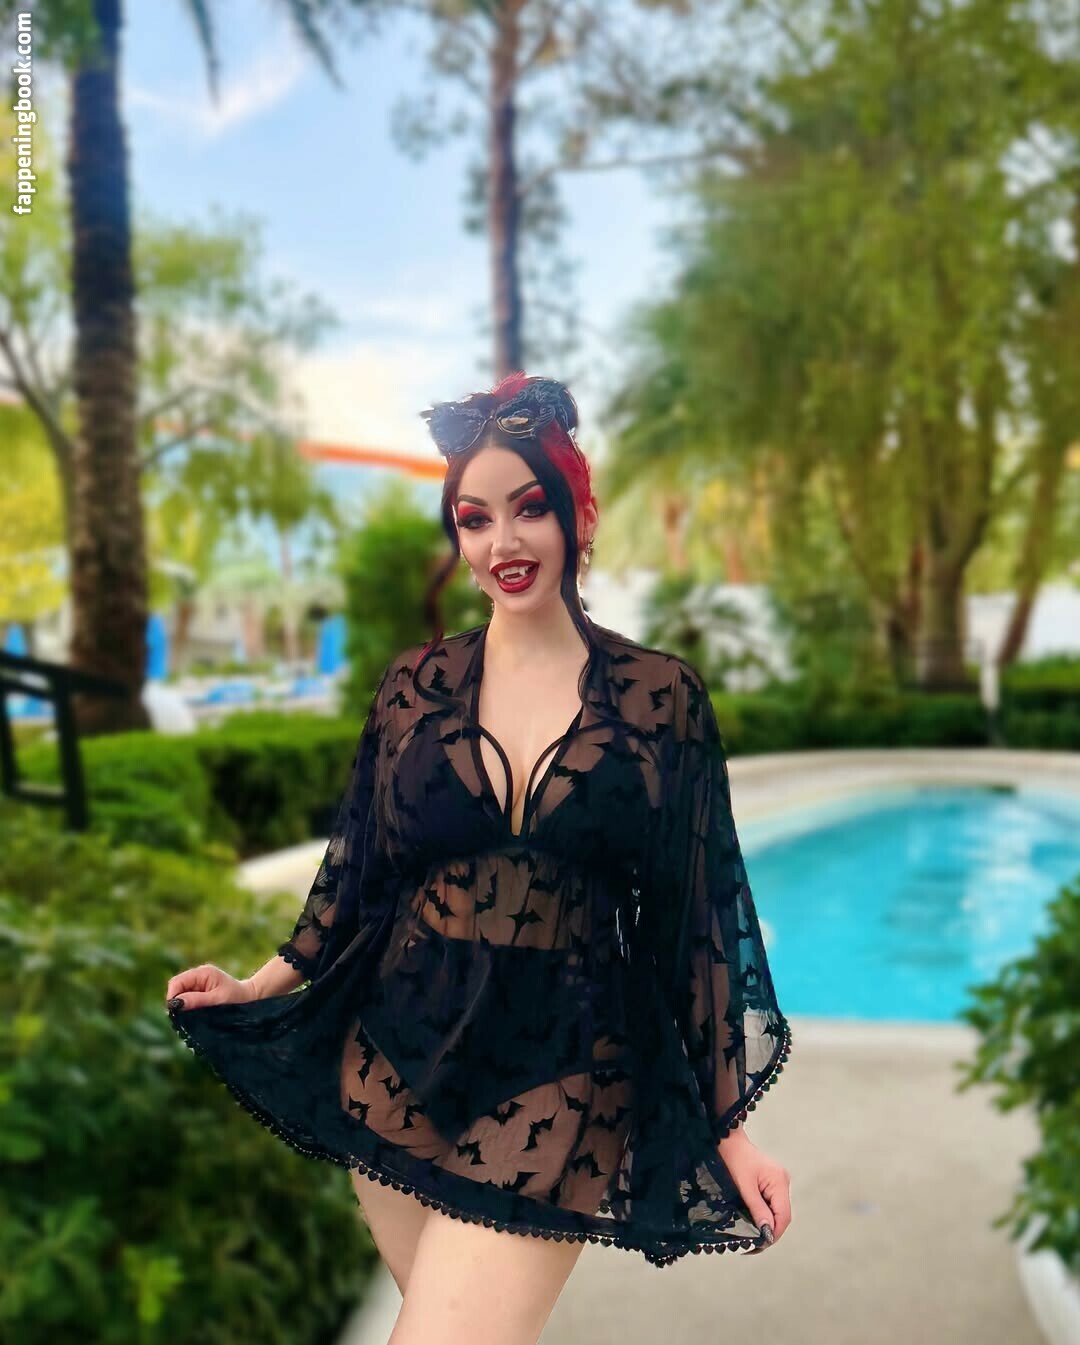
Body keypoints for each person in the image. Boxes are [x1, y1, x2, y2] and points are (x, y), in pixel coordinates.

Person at [165, 372, 793, 1345]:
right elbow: (358, 875)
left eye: (529, 508)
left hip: (565, 1069)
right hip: (392, 1057)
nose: (503, 541)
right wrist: (257, 985)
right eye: (474, 518)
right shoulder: (413, 686)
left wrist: (728, 1127)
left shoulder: (659, 698)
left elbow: (694, 919)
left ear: (582, 517)